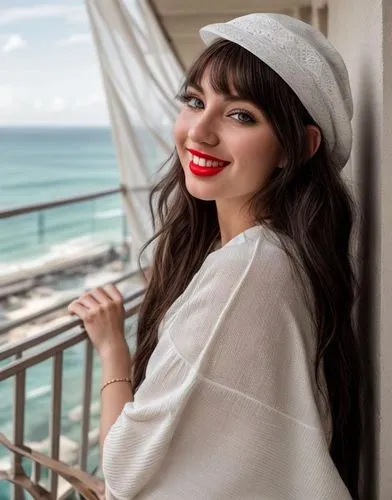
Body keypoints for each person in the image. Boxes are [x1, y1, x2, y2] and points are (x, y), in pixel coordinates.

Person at [68, 12, 362, 500]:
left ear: (299, 147)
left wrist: (111, 348)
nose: (198, 132)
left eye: (240, 115)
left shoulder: (247, 271)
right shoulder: (277, 252)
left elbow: (124, 468)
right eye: (195, 101)